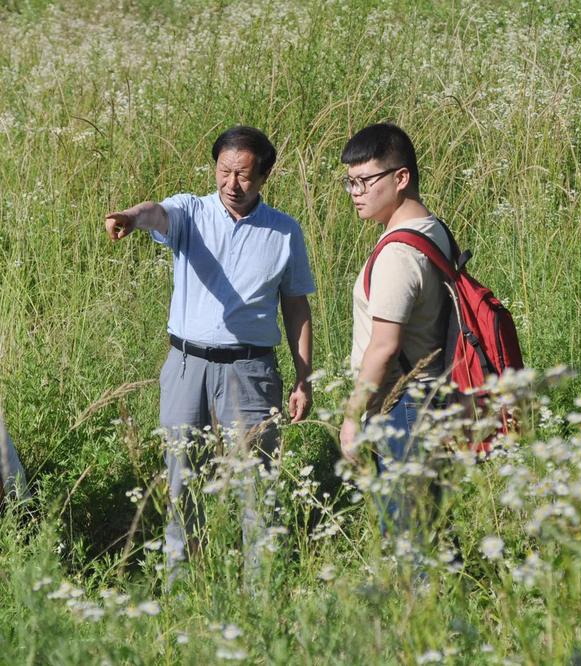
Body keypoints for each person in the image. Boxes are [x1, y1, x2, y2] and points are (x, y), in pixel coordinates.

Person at [105, 125, 315, 583]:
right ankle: (184, 587)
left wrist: (303, 377)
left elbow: (296, 304)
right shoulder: (191, 212)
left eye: (243, 174)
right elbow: (155, 213)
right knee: (182, 479)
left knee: (255, 484)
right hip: (187, 366)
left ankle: (262, 590)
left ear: (264, 176)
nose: (231, 184)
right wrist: (128, 215)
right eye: (223, 171)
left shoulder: (283, 232)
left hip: (251, 368)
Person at [338, 122, 452, 538]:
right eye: (350, 183)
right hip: (436, 396)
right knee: (431, 528)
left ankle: (420, 603)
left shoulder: (398, 253)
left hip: (403, 406)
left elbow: (384, 347)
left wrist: (351, 418)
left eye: (365, 181)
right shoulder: (434, 230)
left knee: (408, 539)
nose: (356, 193)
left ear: (401, 177)